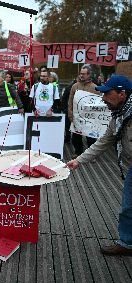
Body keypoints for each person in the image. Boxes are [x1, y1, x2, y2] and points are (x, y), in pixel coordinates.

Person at [66, 75, 132, 256]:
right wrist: (79, 160)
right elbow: (103, 142)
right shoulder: (118, 115)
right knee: (128, 207)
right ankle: (126, 243)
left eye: (107, 94)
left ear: (122, 94)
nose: (103, 99)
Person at [68, 65, 100, 158]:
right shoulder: (75, 86)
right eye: (80, 73)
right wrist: (70, 114)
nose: (81, 75)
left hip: (89, 118)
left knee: (91, 138)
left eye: (84, 74)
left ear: (89, 74)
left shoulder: (95, 87)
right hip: (76, 116)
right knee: (76, 137)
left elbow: (98, 104)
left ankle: (91, 155)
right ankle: (78, 153)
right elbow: (70, 101)